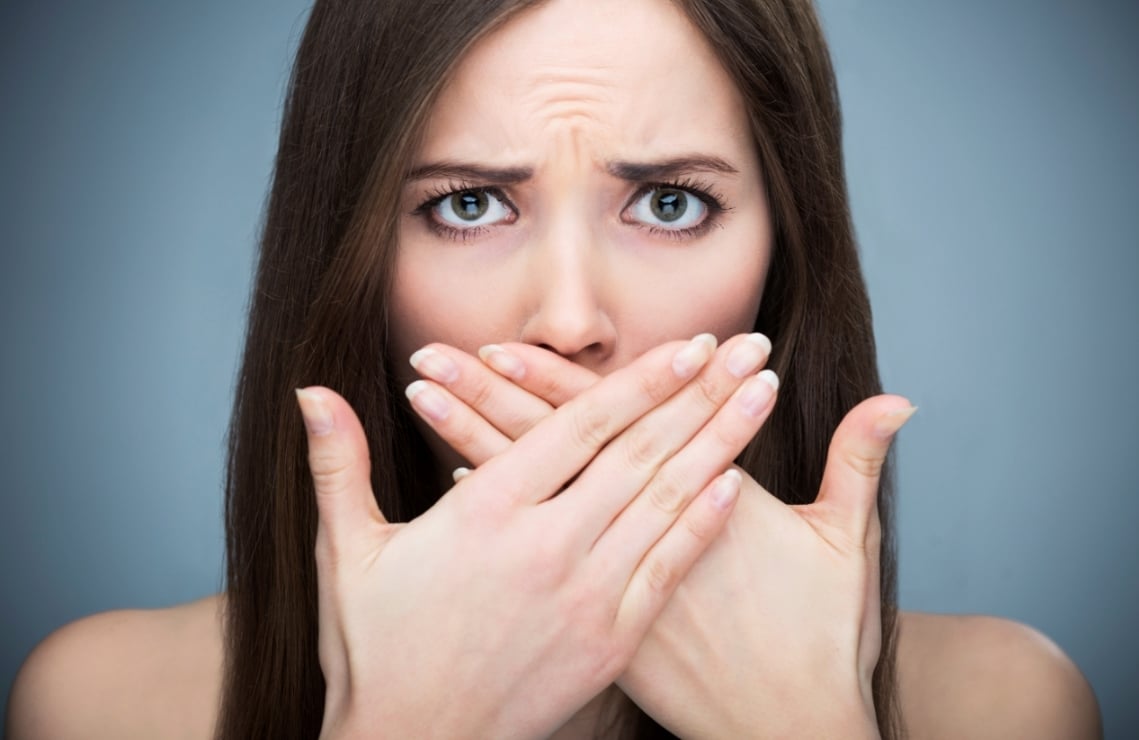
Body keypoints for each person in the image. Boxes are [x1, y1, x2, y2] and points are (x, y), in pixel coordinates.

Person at [6, 0, 1102, 738]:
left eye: (669, 203)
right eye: (467, 205)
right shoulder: (104, 702)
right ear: (352, 260)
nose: (570, 319)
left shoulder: (1007, 704)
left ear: (784, 253)